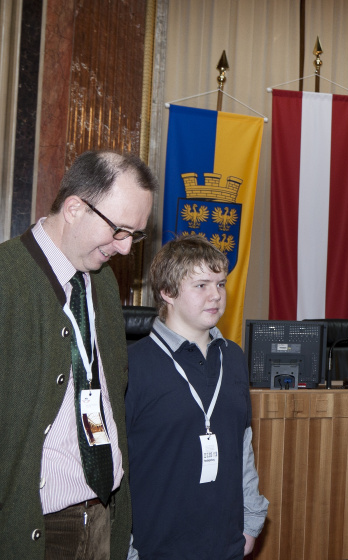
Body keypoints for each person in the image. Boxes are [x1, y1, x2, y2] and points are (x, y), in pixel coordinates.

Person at [0, 151, 157, 559]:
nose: (125, 250)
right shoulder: (6, 281)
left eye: (135, 235)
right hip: (31, 528)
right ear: (74, 208)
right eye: (119, 230)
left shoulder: (101, 285)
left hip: (102, 517)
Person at [125, 235, 268, 559]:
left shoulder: (232, 357)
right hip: (155, 546)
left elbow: (243, 446)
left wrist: (250, 523)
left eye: (220, 284)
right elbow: (115, 470)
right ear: (167, 292)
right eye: (201, 285)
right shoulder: (132, 365)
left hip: (226, 543)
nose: (215, 296)